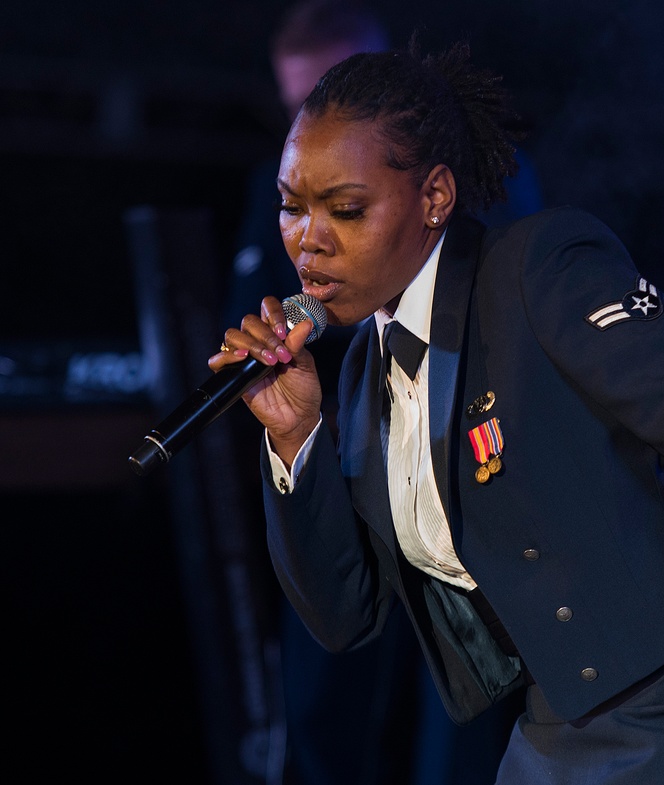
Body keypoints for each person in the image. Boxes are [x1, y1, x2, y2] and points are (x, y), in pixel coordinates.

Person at [210, 39, 664, 783]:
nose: (308, 240)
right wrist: (297, 438)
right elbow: (345, 616)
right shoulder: (363, 373)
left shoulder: (540, 273)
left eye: (344, 208)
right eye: (290, 206)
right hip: (560, 722)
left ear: (434, 196)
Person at [223, 4, 536, 783]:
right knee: (326, 693)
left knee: (456, 726)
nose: (311, 233)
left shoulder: (499, 210)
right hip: (352, 471)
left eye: (327, 89)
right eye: (294, 100)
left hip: (463, 483)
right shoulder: (295, 200)